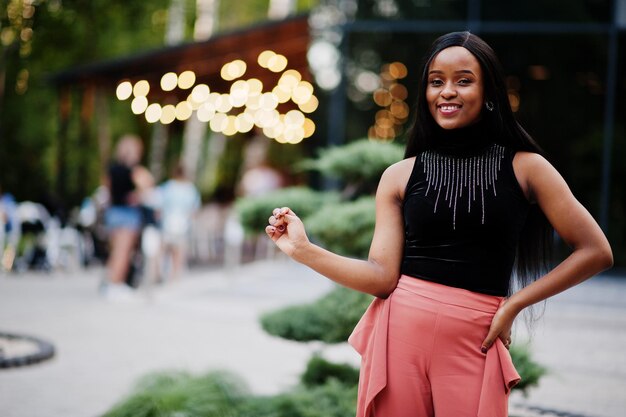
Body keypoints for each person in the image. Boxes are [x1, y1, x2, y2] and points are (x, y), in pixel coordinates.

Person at [265, 32, 613, 417]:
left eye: (463, 80)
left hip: (477, 336)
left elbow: (596, 251)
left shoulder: (528, 167)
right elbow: (381, 277)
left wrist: (515, 304)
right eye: (436, 81)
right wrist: (303, 250)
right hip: (400, 334)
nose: (447, 91)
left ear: (489, 92)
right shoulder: (399, 175)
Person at [102, 134, 154, 300]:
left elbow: (107, 191)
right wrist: (136, 195)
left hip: (113, 213)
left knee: (115, 252)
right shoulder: (135, 171)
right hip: (127, 215)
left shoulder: (112, 169)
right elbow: (147, 187)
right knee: (123, 252)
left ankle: (111, 283)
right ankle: (115, 285)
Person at [158, 162, 201, 281]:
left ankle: (158, 274)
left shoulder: (168, 187)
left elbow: (159, 204)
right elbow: (194, 209)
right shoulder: (191, 189)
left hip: (167, 222)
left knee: (163, 249)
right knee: (179, 251)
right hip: (183, 223)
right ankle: (174, 276)